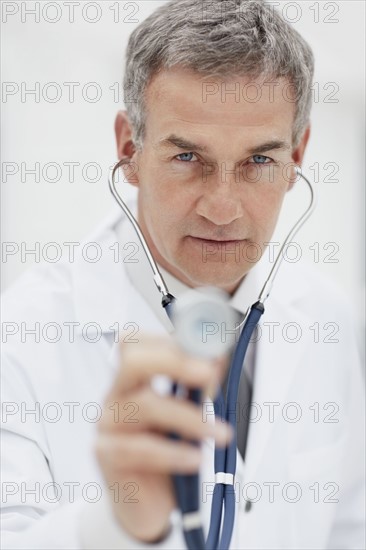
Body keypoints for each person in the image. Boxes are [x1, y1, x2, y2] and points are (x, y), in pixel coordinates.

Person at [1, 0, 364, 548]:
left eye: (259, 161)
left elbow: (348, 526)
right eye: (188, 157)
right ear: (129, 149)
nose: (222, 208)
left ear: (298, 155)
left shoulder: (331, 319)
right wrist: (116, 524)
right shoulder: (23, 335)